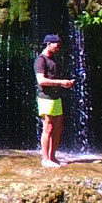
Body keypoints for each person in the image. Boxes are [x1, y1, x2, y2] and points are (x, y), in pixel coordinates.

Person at [35, 33, 74, 167]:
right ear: (48, 44)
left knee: (58, 128)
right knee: (48, 128)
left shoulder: (53, 59)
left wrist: (66, 83)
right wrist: (60, 82)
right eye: (56, 45)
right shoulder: (41, 60)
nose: (58, 48)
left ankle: (53, 157)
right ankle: (45, 159)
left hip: (56, 98)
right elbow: (41, 80)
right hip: (45, 98)